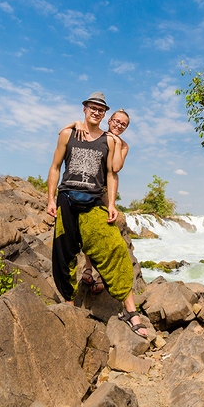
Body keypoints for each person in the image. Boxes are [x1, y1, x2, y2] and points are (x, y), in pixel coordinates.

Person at [46, 93, 147, 337]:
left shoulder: (110, 141)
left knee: (115, 248)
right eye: (93, 107)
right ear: (84, 109)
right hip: (67, 199)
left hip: (93, 201)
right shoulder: (68, 134)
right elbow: (55, 167)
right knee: (64, 253)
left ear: (105, 114)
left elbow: (113, 173)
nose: (96, 112)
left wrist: (111, 204)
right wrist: (50, 199)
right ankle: (69, 306)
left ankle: (130, 310)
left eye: (101, 109)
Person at [61, 109, 131, 294]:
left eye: (123, 124)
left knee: (104, 233)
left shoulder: (123, 145)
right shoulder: (93, 133)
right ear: (109, 120)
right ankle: (88, 268)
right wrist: (75, 123)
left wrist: (115, 142)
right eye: (116, 121)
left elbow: (115, 167)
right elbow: (62, 134)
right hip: (85, 189)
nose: (119, 125)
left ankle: (101, 274)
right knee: (87, 235)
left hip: (104, 193)